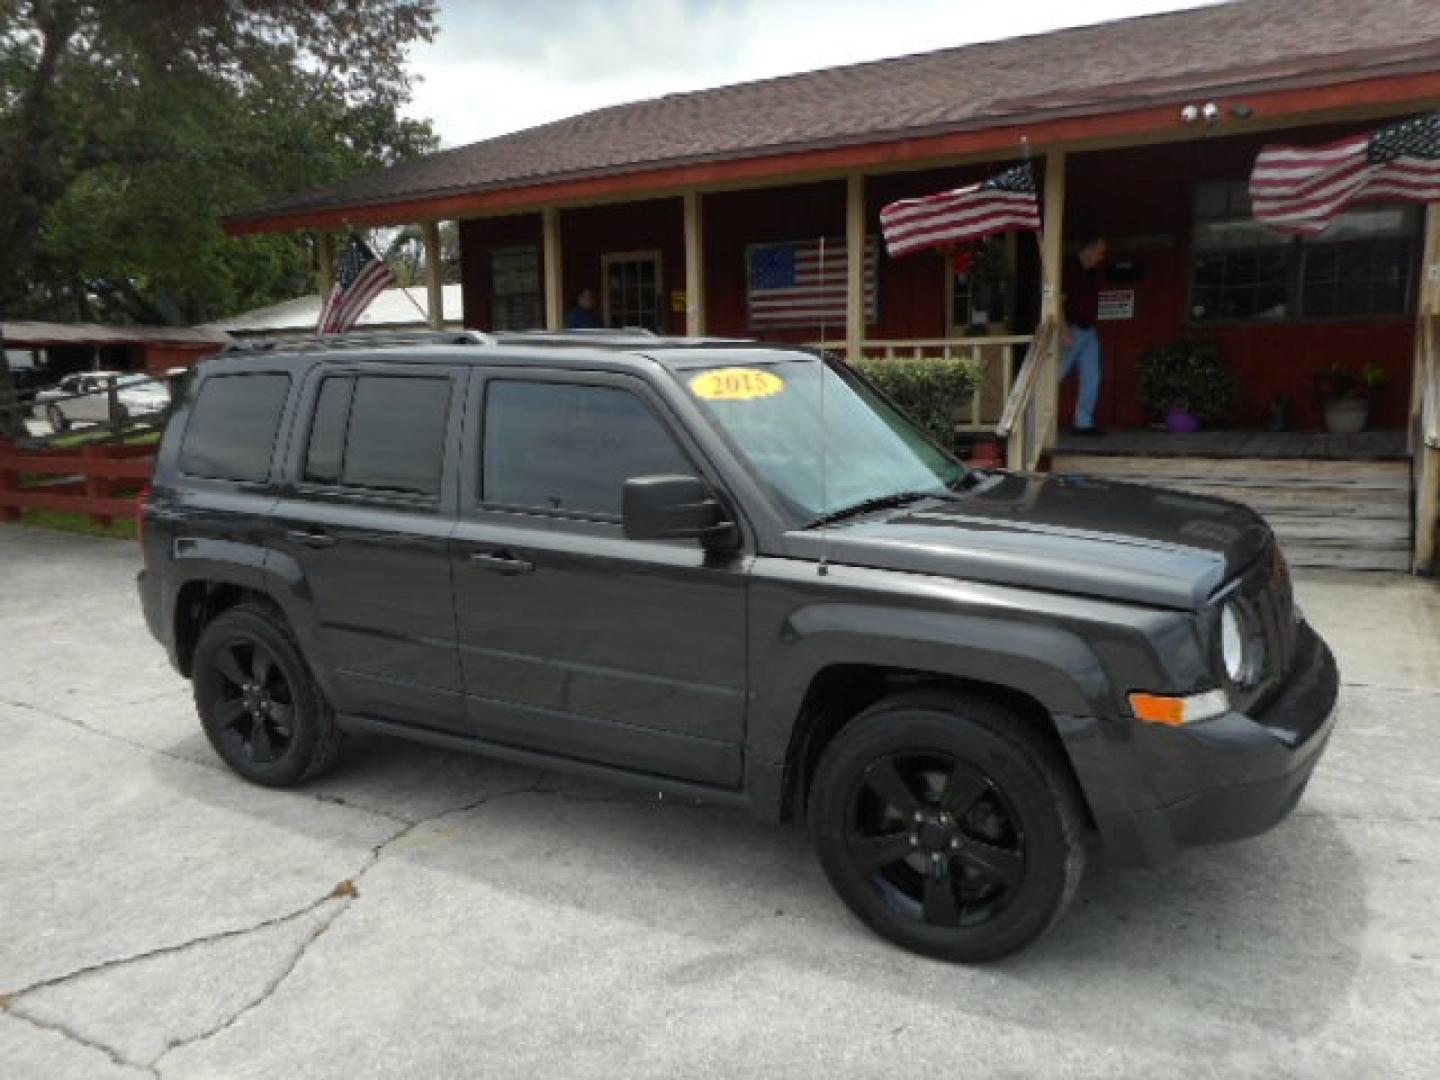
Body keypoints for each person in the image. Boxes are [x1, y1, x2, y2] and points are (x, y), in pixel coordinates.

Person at [1059, 235, 1108, 436]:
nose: (1101, 257)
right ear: (1088, 250)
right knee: (1056, 374)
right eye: (1100, 252)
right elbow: (1056, 302)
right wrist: (1063, 331)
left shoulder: (1093, 273)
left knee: (1092, 376)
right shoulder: (1069, 270)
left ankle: (1083, 423)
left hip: (1088, 330)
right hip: (1071, 329)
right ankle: (1033, 419)